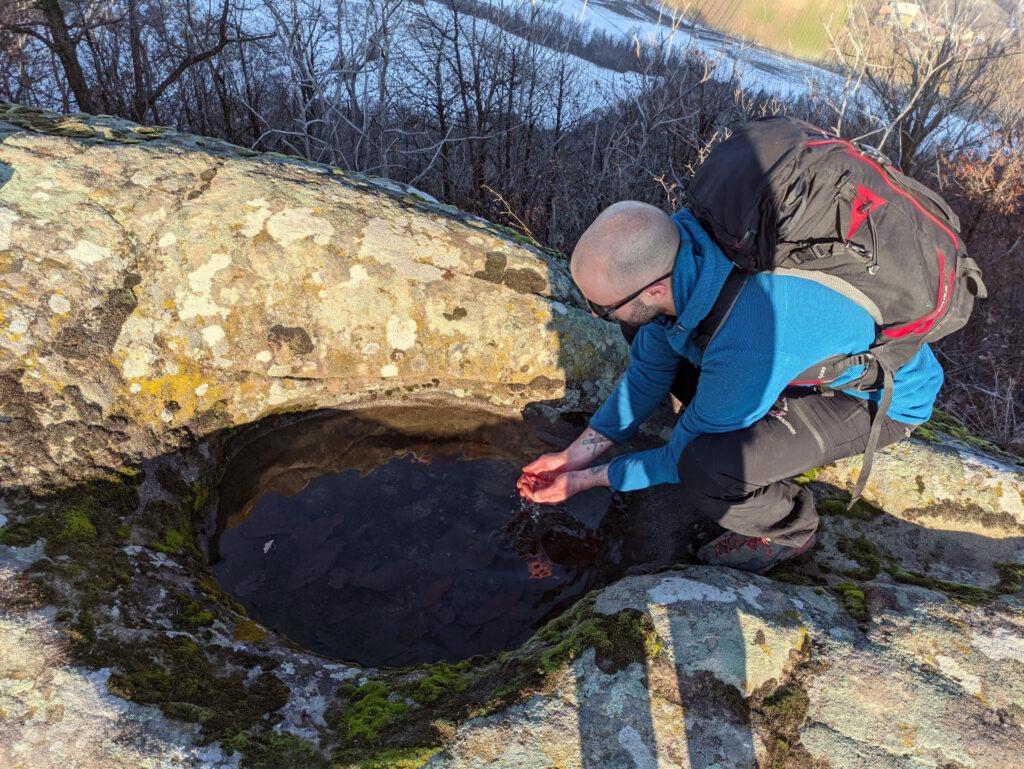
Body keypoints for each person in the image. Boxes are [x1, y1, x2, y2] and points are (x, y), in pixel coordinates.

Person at [516, 200, 942, 574]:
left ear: (656, 287)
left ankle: (789, 530)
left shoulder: (747, 341)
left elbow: (678, 458)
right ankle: (731, 410)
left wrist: (585, 480)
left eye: (603, 309)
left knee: (708, 467)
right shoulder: (691, 248)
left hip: (872, 397)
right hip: (784, 357)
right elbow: (648, 371)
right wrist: (575, 454)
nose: (595, 316)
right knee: (641, 330)